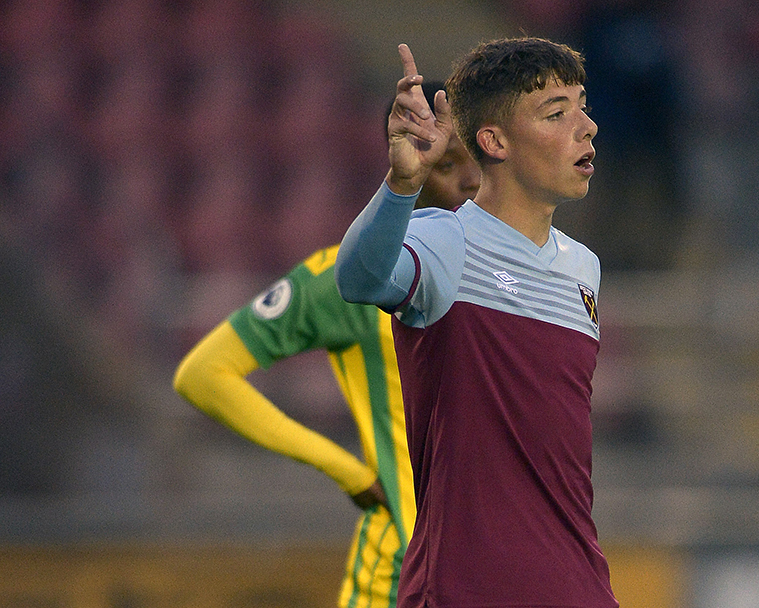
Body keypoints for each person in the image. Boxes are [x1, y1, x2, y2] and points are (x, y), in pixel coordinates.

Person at [172, 81, 480, 608]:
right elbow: (203, 375)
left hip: (495, 570)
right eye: (446, 164)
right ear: (409, 167)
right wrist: (346, 470)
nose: (471, 182)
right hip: (403, 572)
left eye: (475, 160)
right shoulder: (351, 279)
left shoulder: (517, 272)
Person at [335, 39, 617, 607]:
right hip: (465, 587)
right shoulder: (445, 242)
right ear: (493, 141)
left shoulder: (583, 269)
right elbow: (358, 281)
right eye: (556, 114)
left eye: (582, 105)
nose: (585, 126)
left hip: (576, 586)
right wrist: (401, 185)